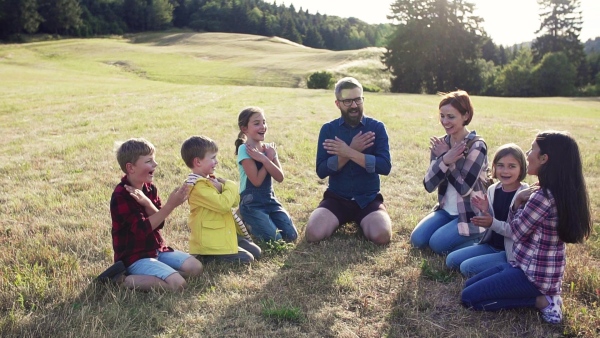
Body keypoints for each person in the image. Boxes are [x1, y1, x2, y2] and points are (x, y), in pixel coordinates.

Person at [461, 131, 592, 324]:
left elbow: (516, 232)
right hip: (523, 265)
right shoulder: (552, 190)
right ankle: (539, 295)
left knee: (469, 298)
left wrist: (516, 203)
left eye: (532, 149)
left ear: (544, 158)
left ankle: (541, 300)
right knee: (470, 283)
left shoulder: (543, 197)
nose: (528, 154)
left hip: (534, 277)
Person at [98, 138, 203, 291]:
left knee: (196, 268)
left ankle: (163, 274)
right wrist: (170, 205)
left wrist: (147, 203)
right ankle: (121, 279)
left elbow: (159, 224)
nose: (155, 164)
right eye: (149, 161)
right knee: (178, 285)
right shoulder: (121, 195)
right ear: (130, 167)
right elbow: (142, 230)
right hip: (135, 257)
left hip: (156, 249)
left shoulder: (149, 188)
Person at [304, 77, 392, 245]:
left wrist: (350, 151)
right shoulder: (328, 129)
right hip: (336, 199)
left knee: (382, 236)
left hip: (368, 199)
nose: (354, 105)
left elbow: (385, 166)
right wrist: (348, 152)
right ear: (338, 103)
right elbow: (321, 171)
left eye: (358, 99)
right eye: (348, 101)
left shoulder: (376, 128)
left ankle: (370, 218)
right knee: (313, 234)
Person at [410, 90, 489, 254]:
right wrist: (445, 158)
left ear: (465, 116)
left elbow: (464, 188)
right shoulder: (441, 144)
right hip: (445, 210)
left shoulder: (477, 146)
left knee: (437, 245)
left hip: (471, 214)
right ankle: (453, 233)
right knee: (417, 240)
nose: (445, 121)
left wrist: (449, 160)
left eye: (451, 117)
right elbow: (429, 184)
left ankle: (481, 239)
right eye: (442, 116)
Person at [445, 143, 529, 276]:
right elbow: (494, 220)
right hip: (490, 244)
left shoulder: (525, 194)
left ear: (521, 168)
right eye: (500, 165)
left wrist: (491, 222)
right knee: (451, 260)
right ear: (494, 167)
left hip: (509, 252)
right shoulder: (493, 189)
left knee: (467, 268)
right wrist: (486, 211)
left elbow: (515, 230)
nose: (505, 171)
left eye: (512, 166)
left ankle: (508, 269)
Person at [181, 135, 261, 264]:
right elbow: (224, 205)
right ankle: (206, 256)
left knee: (256, 252)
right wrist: (230, 185)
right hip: (210, 241)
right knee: (247, 259)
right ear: (198, 162)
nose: (217, 161)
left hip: (222, 233)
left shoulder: (211, 180)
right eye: (213, 158)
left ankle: (228, 247)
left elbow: (234, 202)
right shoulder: (197, 186)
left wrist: (223, 188)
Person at [234, 106, 298, 242]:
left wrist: (266, 157)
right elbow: (256, 181)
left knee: (291, 236)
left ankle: (262, 220)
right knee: (275, 239)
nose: (263, 126)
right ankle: (244, 218)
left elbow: (280, 177)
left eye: (264, 122)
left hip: (270, 200)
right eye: (257, 123)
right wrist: (266, 159)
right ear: (244, 129)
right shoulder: (244, 149)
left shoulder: (269, 149)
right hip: (251, 203)